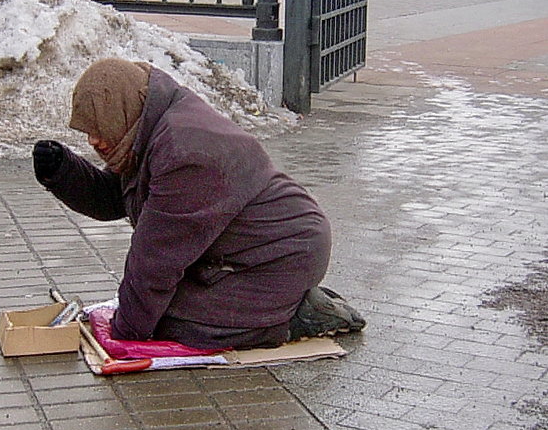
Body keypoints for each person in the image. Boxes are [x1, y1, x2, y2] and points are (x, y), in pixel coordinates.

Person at [32, 58, 365, 350]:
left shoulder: (184, 151)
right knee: (156, 307)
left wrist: (126, 335)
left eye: (100, 128)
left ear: (124, 112)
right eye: (87, 132)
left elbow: (157, 257)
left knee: (178, 326)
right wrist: (63, 171)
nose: (93, 140)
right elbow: (115, 199)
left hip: (285, 253)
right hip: (244, 254)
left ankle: (297, 316)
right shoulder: (148, 125)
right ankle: (279, 301)